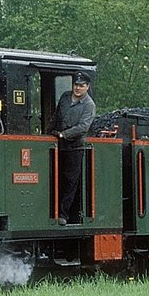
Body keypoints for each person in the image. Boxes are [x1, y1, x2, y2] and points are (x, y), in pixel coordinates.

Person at [51, 72, 95, 224]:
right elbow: (56, 116)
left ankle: (63, 215)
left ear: (87, 87)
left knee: (70, 181)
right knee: (56, 177)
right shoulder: (65, 97)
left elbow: (83, 127)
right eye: (76, 85)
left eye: (81, 85)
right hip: (58, 144)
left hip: (74, 147)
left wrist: (64, 134)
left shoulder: (89, 105)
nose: (78, 88)